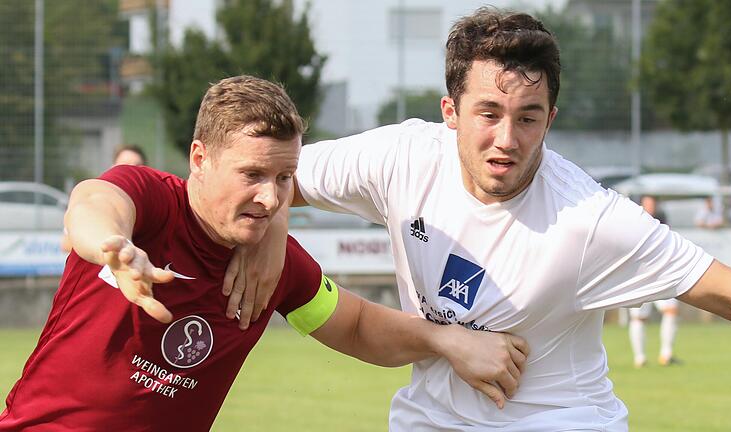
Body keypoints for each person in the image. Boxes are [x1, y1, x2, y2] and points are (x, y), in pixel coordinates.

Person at [231, 8, 731, 431]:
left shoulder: (590, 220)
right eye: (488, 114)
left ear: (550, 119)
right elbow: (271, 177)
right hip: (428, 421)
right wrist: (270, 232)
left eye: (528, 118)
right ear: (450, 112)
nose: (507, 140)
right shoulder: (401, 158)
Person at [0, 76, 528, 431]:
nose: (272, 198)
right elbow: (92, 203)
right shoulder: (153, 202)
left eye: (284, 178)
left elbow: (359, 326)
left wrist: (446, 340)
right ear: (200, 158)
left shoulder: (278, 265)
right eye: (252, 175)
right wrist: (115, 249)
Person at [628, 195, 679, 367]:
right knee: (639, 318)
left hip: (660, 274)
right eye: (647, 202)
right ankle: (640, 357)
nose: (651, 205)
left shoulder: (661, 222)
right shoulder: (632, 221)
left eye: (653, 202)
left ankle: (666, 353)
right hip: (638, 275)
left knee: (671, 310)